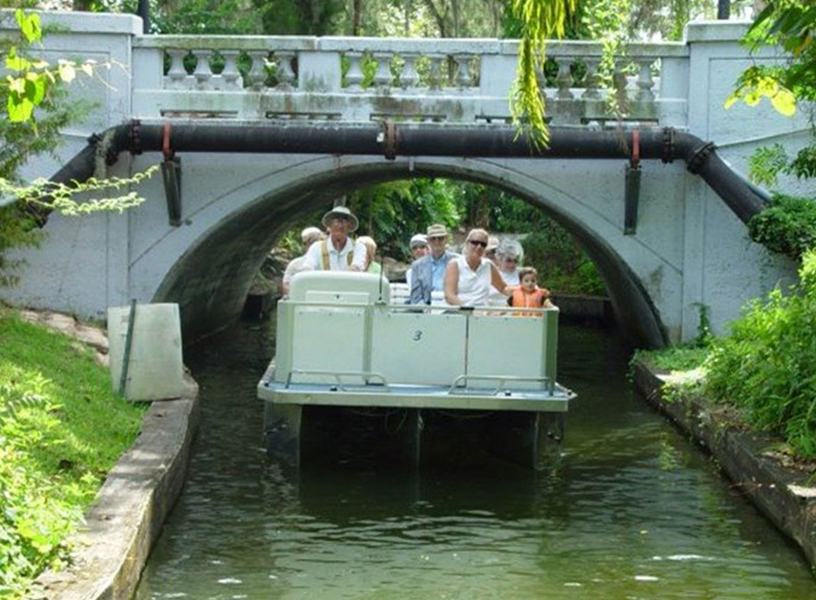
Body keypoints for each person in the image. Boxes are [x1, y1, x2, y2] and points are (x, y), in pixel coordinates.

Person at [444, 228, 509, 307]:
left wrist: (523, 291)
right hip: (460, 313)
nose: (479, 247)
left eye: (483, 244)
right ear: (467, 243)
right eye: (475, 242)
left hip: (482, 313)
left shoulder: (488, 265)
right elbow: (449, 296)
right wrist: (467, 309)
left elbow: (502, 288)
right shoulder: (455, 264)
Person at [303, 205, 367, 271]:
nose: (340, 226)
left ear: (349, 226)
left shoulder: (358, 248)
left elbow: (357, 267)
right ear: (330, 225)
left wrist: (353, 269)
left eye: (344, 222)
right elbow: (308, 268)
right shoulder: (316, 248)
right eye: (337, 221)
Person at [409, 224, 457, 305]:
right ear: (428, 242)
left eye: (440, 238)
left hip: (452, 307)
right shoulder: (418, 265)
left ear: (446, 240)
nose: (437, 242)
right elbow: (416, 298)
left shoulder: (457, 261)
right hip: (427, 308)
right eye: (433, 239)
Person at [281, 226, 325, 296]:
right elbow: (286, 285)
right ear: (305, 244)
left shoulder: (330, 261)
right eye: (311, 242)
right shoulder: (295, 264)